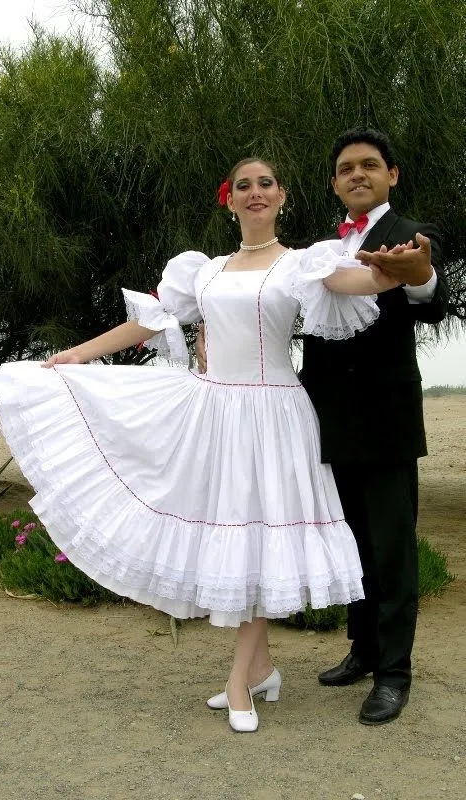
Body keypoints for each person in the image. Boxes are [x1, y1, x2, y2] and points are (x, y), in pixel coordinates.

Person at [0, 157, 398, 734]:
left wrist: (394, 271)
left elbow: (360, 280)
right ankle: (263, 670)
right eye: (244, 186)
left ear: (283, 197)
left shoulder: (302, 263)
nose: (256, 193)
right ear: (229, 200)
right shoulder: (201, 271)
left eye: (266, 185)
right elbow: (151, 322)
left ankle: (238, 682)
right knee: (232, 537)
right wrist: (82, 354)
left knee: (254, 538)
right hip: (216, 414)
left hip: (275, 414)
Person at [198, 134, 449, 726]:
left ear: (392, 173)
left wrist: (420, 272)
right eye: (345, 169)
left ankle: (395, 674)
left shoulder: (414, 230)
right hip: (322, 420)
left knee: (390, 549)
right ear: (334, 183)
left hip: (385, 421)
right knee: (352, 541)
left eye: (368, 166)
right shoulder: (326, 246)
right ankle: (362, 651)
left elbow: (431, 294)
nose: (356, 175)